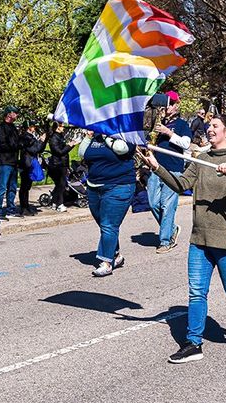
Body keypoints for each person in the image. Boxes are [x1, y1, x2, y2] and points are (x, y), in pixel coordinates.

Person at [143, 114, 226, 363]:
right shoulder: (201, 159)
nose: (209, 129)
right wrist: (157, 167)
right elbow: (181, 184)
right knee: (197, 293)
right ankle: (193, 343)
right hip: (200, 239)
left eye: (215, 126)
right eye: (209, 125)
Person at [79, 131, 136, 277]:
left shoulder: (127, 134)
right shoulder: (95, 136)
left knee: (108, 225)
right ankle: (115, 255)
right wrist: (88, 136)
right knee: (102, 223)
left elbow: (121, 149)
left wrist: (106, 134)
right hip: (94, 187)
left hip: (119, 186)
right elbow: (82, 154)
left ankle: (106, 262)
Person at [148, 91, 193, 254]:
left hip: (173, 169)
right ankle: (172, 229)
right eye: (166, 103)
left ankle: (165, 240)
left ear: (177, 105)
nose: (167, 107)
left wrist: (169, 132)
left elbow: (186, 144)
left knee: (167, 206)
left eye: (171, 103)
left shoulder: (182, 124)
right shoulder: (156, 122)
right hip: (156, 168)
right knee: (153, 203)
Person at [0, 106, 20, 218]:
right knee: (2, 187)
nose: (17, 115)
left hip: (14, 161)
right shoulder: (1, 128)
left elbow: (17, 142)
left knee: (12, 187)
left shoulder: (14, 128)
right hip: (5, 161)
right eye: (15, 113)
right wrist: (14, 146)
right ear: (9, 114)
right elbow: (2, 144)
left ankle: (11, 209)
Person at [46, 121, 76, 212]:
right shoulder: (54, 138)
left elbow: (64, 150)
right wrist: (69, 146)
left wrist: (71, 145)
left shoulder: (60, 136)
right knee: (61, 185)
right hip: (57, 164)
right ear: (57, 127)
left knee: (60, 185)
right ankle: (59, 204)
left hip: (62, 163)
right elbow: (59, 152)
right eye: (62, 126)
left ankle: (54, 202)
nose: (63, 128)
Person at [17, 120, 46, 217]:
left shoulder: (29, 137)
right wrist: (41, 141)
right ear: (29, 127)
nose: (34, 128)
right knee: (24, 187)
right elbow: (34, 149)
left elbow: (39, 149)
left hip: (28, 163)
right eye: (33, 126)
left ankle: (26, 206)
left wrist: (42, 141)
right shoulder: (26, 137)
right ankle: (23, 207)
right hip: (26, 164)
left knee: (27, 186)